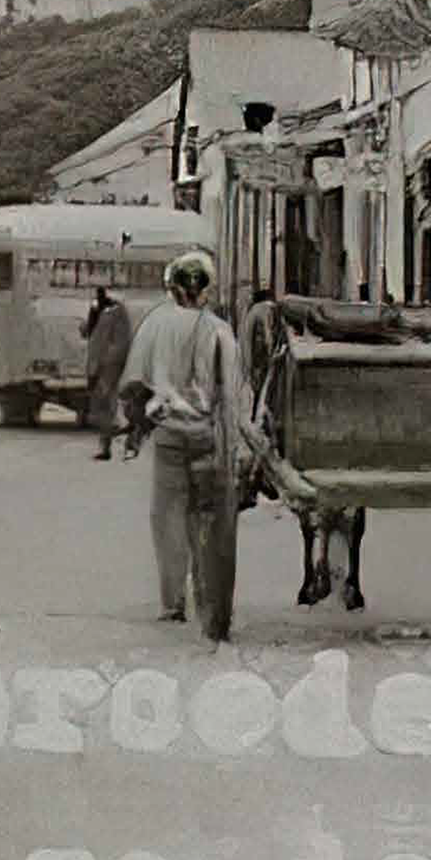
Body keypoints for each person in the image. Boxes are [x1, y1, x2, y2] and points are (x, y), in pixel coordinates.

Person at [122, 247, 254, 639]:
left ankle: (172, 602)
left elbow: (134, 385)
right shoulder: (219, 331)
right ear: (206, 290)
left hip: (168, 436)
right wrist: (235, 447)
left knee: (168, 518)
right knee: (207, 519)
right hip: (209, 438)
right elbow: (232, 395)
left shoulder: (154, 325)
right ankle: (206, 596)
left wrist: (134, 430)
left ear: (171, 287)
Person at [83, 286, 136, 461]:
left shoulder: (117, 312)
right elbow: (93, 336)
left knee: (107, 404)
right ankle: (109, 441)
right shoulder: (98, 311)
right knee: (101, 407)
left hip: (108, 367)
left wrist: (107, 363)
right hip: (97, 367)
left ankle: (115, 438)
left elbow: (121, 343)